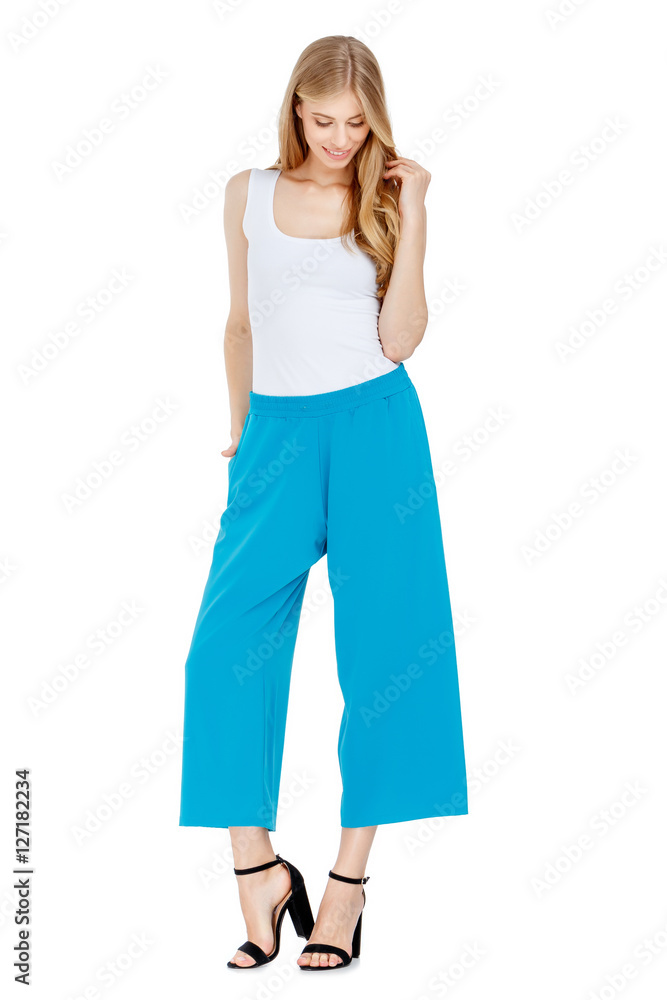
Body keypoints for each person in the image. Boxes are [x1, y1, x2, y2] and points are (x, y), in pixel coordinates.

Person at [178, 34, 468, 971]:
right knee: (222, 652)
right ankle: (256, 871)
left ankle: (346, 886)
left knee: (387, 649)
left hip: (376, 429)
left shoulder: (383, 198)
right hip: (273, 436)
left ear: (374, 120)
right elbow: (239, 323)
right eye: (323, 120)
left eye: (356, 123)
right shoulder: (246, 193)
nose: (340, 139)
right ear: (295, 111)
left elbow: (401, 337)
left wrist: (413, 213)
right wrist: (240, 436)